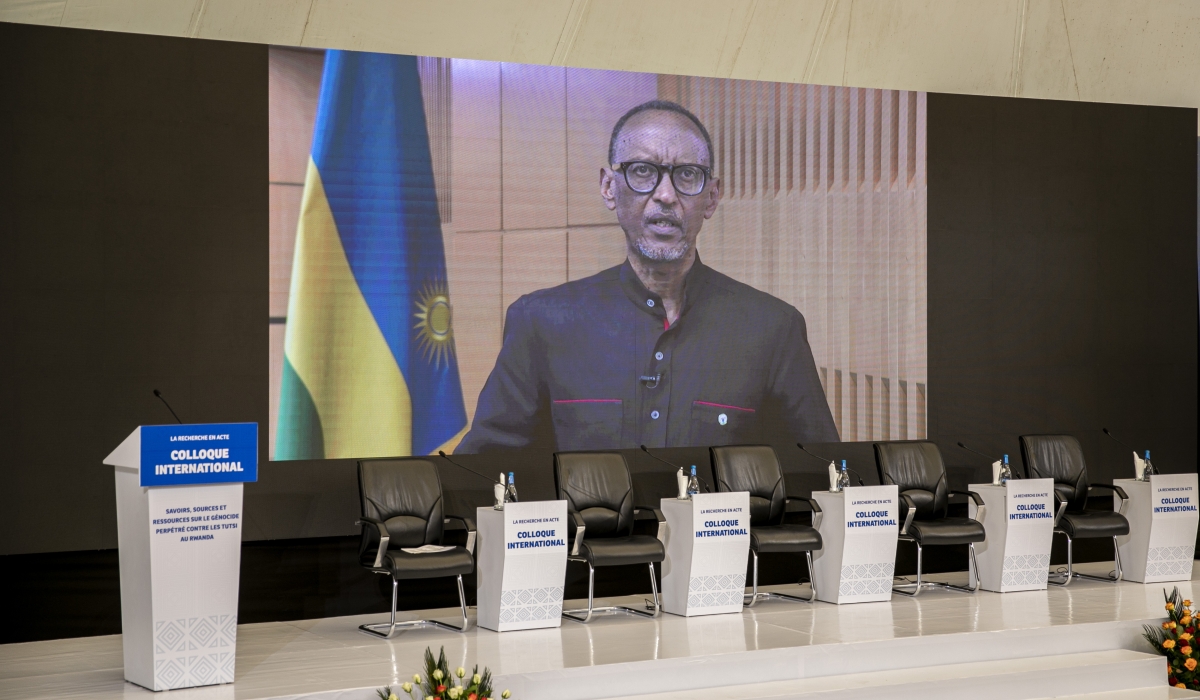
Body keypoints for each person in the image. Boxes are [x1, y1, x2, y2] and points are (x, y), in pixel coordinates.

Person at [458, 100, 838, 453]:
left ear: (711, 197)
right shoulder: (541, 323)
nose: (666, 195)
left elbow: (821, 479)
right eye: (643, 171)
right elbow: (484, 477)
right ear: (609, 187)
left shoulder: (773, 329)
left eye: (687, 175)